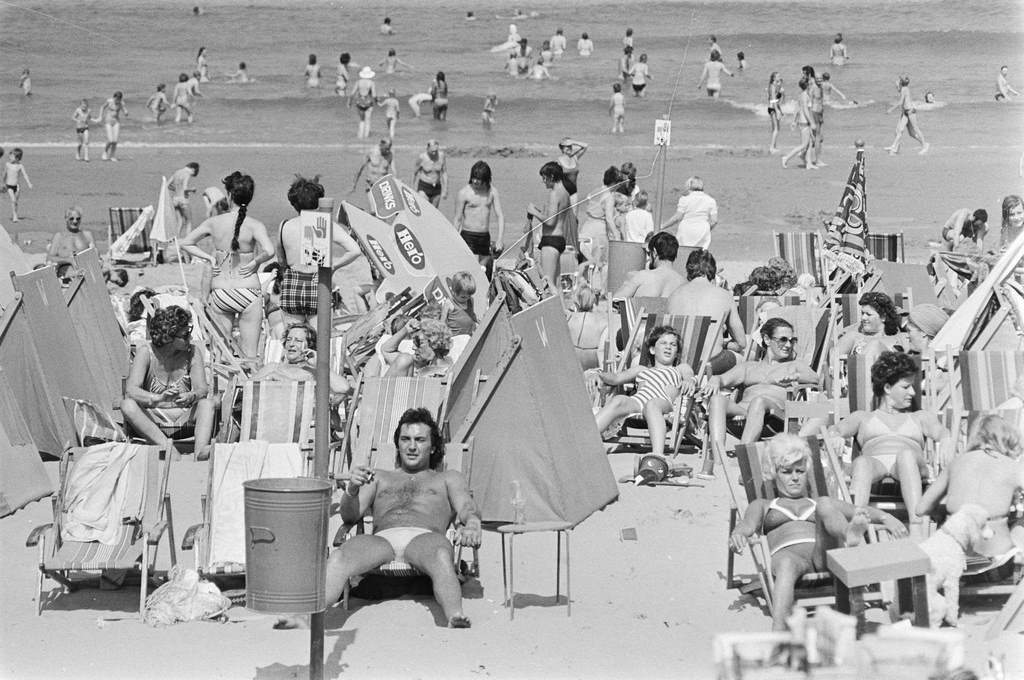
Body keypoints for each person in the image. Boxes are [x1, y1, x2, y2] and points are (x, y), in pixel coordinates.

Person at [275, 408, 481, 630]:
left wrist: (472, 524)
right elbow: (350, 515)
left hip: (425, 538)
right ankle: (306, 617)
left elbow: (467, 507)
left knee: (441, 556)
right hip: (381, 540)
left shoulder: (447, 478)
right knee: (339, 558)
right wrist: (352, 490)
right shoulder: (378, 477)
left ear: (433, 446)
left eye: (420, 440)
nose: (412, 447)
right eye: (405, 439)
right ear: (398, 444)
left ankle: (455, 615)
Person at [730, 434, 905, 630]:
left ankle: (849, 533)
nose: (795, 477)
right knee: (786, 562)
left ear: (807, 472)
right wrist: (738, 534)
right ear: (774, 473)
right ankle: (779, 631)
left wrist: (886, 517)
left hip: (822, 557)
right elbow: (746, 525)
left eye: (800, 471)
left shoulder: (817, 502)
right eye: (787, 472)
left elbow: (860, 512)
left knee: (825, 503)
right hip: (789, 559)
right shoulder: (763, 505)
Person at [827, 351, 950, 537]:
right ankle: (856, 528)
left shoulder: (919, 417)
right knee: (861, 462)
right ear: (887, 388)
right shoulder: (863, 417)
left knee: (905, 455)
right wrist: (835, 435)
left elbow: (940, 431)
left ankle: (917, 528)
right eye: (906, 387)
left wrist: (947, 439)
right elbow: (836, 429)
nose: (913, 392)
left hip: (911, 467)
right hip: (875, 466)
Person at [179, 172, 276, 358]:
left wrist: (209, 258)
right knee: (250, 355)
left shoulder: (214, 222)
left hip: (221, 292)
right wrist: (256, 262)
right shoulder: (255, 225)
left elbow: (186, 243)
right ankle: (247, 384)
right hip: (248, 291)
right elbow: (270, 251)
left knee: (219, 353)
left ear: (229, 195)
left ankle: (220, 386)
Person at [919, 414, 1024, 558]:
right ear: (1007, 437)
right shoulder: (1012, 467)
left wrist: (952, 509)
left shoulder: (956, 463)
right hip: (994, 554)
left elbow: (921, 508)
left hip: (957, 556)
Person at [121, 306, 217, 459]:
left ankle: (200, 452)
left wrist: (191, 395)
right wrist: (157, 398)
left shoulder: (191, 353)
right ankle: (169, 450)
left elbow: (202, 389)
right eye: (185, 335)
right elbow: (131, 390)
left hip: (184, 419)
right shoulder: (146, 353)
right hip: (154, 421)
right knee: (127, 404)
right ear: (168, 337)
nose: (190, 338)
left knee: (207, 404)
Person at [706, 317, 818, 443]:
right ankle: (718, 462)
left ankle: (745, 454)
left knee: (759, 401)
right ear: (767, 339)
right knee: (717, 400)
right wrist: (715, 379)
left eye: (792, 341)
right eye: (783, 340)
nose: (788, 345)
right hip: (744, 413)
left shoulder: (794, 365)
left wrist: (796, 377)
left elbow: (815, 379)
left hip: (775, 417)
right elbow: (722, 379)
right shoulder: (749, 367)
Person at [592, 325, 697, 458]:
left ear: (677, 352)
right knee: (619, 400)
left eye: (673, 345)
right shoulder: (641, 369)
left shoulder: (680, 368)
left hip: (664, 403)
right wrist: (600, 375)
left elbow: (689, 375)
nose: (668, 347)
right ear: (652, 349)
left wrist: (689, 381)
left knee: (652, 405)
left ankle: (657, 455)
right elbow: (616, 378)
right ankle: (587, 439)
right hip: (639, 402)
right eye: (663, 343)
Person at [274, 175, 361, 327]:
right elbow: (354, 250)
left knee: (292, 337)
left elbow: (281, 261)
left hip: (292, 285)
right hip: (318, 283)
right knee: (319, 341)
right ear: (318, 200)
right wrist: (334, 266)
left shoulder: (284, 225)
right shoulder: (323, 224)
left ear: (294, 203)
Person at [667, 249, 747, 372]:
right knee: (744, 355)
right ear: (713, 271)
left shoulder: (673, 295)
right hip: (711, 364)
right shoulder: (724, 295)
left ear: (689, 270)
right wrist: (724, 343)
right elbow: (741, 342)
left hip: (679, 364)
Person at [251, 323, 350, 397]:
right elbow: (246, 389)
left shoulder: (314, 371)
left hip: (305, 421)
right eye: (289, 340)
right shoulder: (273, 368)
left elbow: (343, 388)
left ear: (309, 345)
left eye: (298, 340)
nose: (291, 344)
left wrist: (318, 365)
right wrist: (269, 378)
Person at [526, 161, 572, 288]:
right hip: (559, 239)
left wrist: (533, 212)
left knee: (548, 284)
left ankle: (553, 308)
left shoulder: (554, 193)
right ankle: (562, 308)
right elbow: (555, 217)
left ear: (551, 177)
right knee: (557, 285)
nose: (544, 182)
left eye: (545, 178)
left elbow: (550, 222)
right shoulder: (566, 193)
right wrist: (540, 212)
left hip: (550, 241)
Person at [453, 161, 504, 277]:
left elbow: (500, 215)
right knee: (472, 272)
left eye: (478, 179)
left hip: (484, 237)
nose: (475, 181)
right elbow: (457, 219)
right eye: (474, 178)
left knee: (485, 272)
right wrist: (454, 240)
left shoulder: (492, 192)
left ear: (486, 179)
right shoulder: (464, 193)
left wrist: (500, 239)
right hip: (468, 235)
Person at [832, 292, 906, 367]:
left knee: (875, 344)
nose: (863, 318)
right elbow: (832, 362)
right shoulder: (853, 336)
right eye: (862, 313)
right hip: (859, 376)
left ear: (883, 316)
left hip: (888, 375)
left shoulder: (899, 338)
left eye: (868, 314)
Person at [613, 232, 685, 299]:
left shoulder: (642, 277)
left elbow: (615, 301)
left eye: (649, 254)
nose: (649, 258)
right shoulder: (683, 283)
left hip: (642, 312)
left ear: (654, 253)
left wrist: (627, 283)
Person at [579, 166, 623, 274]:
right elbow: (609, 218)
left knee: (587, 264)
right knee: (599, 264)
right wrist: (616, 234)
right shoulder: (609, 197)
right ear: (614, 182)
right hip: (598, 232)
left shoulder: (595, 192)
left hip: (586, 228)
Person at [381, 317, 454, 378]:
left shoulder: (442, 373)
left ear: (434, 344)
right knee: (405, 358)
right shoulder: (421, 363)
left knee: (405, 358)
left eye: (418, 342)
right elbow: (386, 350)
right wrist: (406, 330)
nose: (413, 347)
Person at [659, 176, 718, 248]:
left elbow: (677, 217)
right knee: (701, 254)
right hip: (703, 229)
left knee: (684, 252)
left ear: (689, 186)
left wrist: (662, 226)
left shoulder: (685, 199)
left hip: (686, 230)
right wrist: (706, 228)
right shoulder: (711, 200)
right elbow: (714, 221)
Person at [567, 284, 607, 370]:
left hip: (573, 366)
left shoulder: (568, 320)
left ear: (576, 302)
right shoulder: (603, 323)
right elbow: (601, 351)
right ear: (593, 301)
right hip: (592, 367)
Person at [885, 75, 929, 155]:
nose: (898, 81)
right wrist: (897, 85)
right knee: (905, 131)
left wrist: (891, 109)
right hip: (905, 112)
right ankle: (895, 147)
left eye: (899, 81)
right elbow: (899, 90)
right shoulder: (903, 89)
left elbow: (901, 102)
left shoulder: (904, 89)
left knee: (916, 129)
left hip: (910, 111)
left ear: (902, 82)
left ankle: (924, 146)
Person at [781, 78, 818, 170]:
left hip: (802, 121)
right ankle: (786, 158)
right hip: (805, 121)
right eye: (811, 84)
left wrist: (794, 121)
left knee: (809, 144)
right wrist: (811, 122)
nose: (812, 85)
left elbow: (797, 108)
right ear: (808, 85)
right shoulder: (805, 96)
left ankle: (809, 164)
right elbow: (805, 110)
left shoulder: (801, 95)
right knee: (804, 145)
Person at [413, 140, 448, 207]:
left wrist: (445, 189)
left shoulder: (441, 156)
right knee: (424, 210)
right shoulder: (422, 157)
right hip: (424, 187)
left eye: (436, 151)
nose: (434, 153)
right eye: (432, 151)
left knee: (434, 212)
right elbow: (415, 173)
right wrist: (413, 189)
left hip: (437, 187)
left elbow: (444, 173)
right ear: (427, 149)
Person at [94, 91, 128, 161]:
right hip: (108, 121)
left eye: (119, 99)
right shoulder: (109, 101)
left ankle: (112, 156)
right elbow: (102, 107)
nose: (117, 101)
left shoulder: (121, 103)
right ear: (114, 97)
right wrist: (100, 116)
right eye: (116, 99)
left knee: (115, 141)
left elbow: (124, 110)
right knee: (110, 140)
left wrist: (126, 112)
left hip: (116, 122)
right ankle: (105, 152)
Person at [168, 162, 199, 236]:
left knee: (180, 220)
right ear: (192, 168)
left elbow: (167, 185)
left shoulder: (177, 172)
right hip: (183, 200)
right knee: (189, 221)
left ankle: (177, 240)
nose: (192, 174)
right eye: (193, 172)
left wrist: (176, 189)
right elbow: (185, 189)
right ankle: (188, 241)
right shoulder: (186, 173)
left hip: (175, 199)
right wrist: (192, 189)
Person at [802, 66, 825, 165]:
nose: (819, 80)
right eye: (817, 79)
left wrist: (822, 115)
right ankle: (816, 160)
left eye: (821, 79)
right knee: (817, 138)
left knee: (819, 138)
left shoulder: (820, 87)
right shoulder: (813, 88)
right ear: (814, 79)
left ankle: (807, 156)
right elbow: (809, 104)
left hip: (819, 113)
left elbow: (821, 101)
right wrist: (811, 120)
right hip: (814, 113)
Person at [445, 271, 478, 337]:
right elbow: (442, 323)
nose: (466, 299)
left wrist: (477, 323)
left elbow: (472, 315)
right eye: (463, 297)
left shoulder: (470, 300)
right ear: (454, 292)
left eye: (469, 296)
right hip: (455, 337)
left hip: (468, 336)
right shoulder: (449, 303)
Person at [3, 148, 31, 223]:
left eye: (11, 157)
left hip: (17, 186)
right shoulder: (7, 164)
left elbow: (25, 175)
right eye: (9, 156)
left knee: (15, 202)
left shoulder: (20, 166)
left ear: (17, 158)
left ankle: (15, 214)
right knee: (13, 200)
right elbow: (4, 175)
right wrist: (2, 183)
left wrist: (29, 183)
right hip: (9, 186)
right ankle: (14, 217)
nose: (9, 158)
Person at [349, 66, 378, 139]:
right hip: (368, 102)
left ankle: (360, 136)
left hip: (359, 102)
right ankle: (366, 137)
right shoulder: (371, 83)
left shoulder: (358, 82)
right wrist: (377, 102)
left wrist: (349, 102)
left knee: (362, 120)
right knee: (368, 120)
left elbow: (352, 93)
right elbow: (374, 95)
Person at [766, 72, 784, 154]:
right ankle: (771, 147)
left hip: (774, 107)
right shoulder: (772, 86)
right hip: (773, 108)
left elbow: (778, 100)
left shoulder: (775, 86)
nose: (779, 77)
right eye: (778, 76)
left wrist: (781, 93)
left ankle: (774, 146)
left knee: (775, 129)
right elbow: (773, 99)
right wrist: (777, 110)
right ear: (774, 78)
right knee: (776, 129)